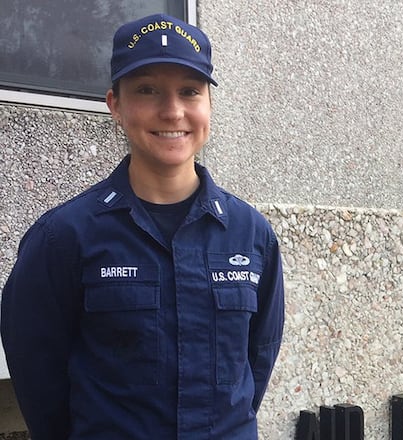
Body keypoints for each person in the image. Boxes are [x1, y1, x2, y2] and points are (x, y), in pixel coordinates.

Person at [0, 14, 284, 439]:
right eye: (147, 90)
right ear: (115, 104)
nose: (173, 111)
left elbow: (256, 363)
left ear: (208, 104)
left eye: (189, 91)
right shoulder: (64, 237)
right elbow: (39, 378)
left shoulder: (250, 234)